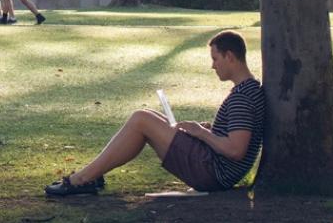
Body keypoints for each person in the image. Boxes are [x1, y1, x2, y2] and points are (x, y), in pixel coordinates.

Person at [45, 30, 264, 197]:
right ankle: (90, 176)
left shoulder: (242, 97)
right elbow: (234, 138)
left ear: (230, 57)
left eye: (215, 59)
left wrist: (201, 133)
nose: (212, 66)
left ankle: (83, 178)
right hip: (213, 168)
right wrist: (209, 131)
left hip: (212, 174)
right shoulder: (248, 90)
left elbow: (236, 150)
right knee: (147, 116)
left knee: (141, 119)